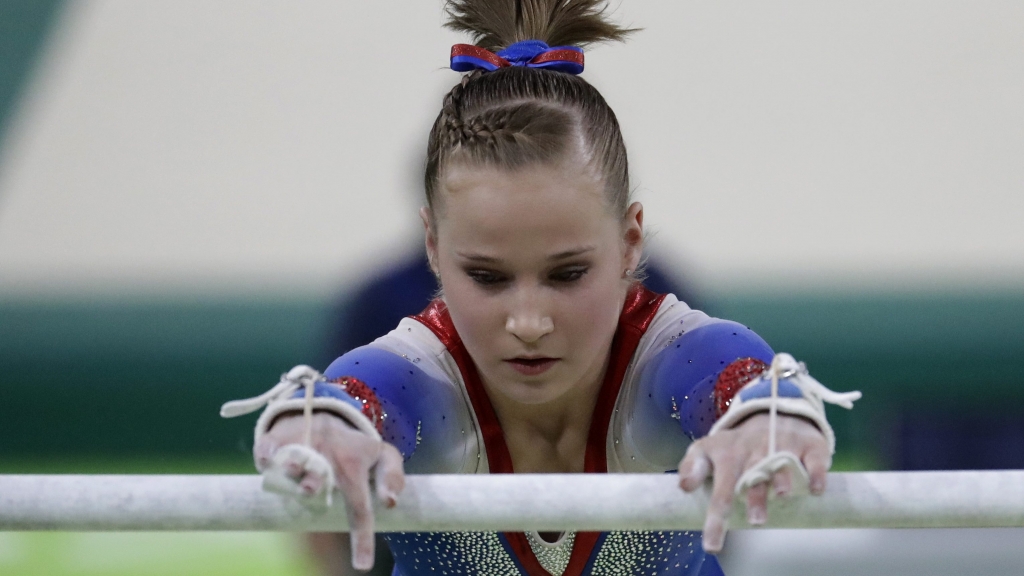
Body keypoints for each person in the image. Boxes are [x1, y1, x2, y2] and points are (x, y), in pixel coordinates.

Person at [222, 1, 859, 574]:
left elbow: (740, 380)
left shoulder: (670, 356)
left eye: (567, 274)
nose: (528, 321)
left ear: (631, 242)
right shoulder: (418, 374)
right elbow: (352, 400)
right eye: (489, 277)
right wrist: (323, 426)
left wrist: (770, 413)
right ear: (434, 250)